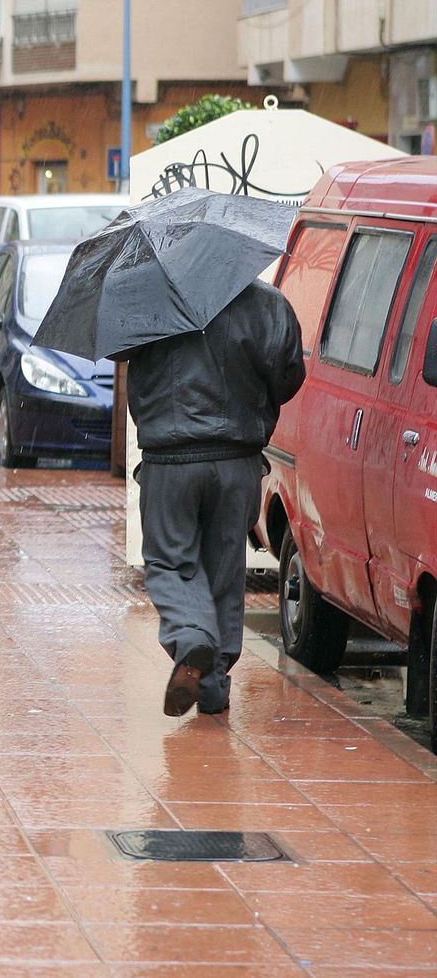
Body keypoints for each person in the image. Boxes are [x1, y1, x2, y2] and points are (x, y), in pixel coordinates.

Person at [123, 279, 305, 718]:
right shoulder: (270, 305)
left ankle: (191, 639)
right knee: (225, 571)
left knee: (170, 562)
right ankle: (214, 689)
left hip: (171, 460)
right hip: (238, 459)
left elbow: (119, 353)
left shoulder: (147, 299)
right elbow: (290, 376)